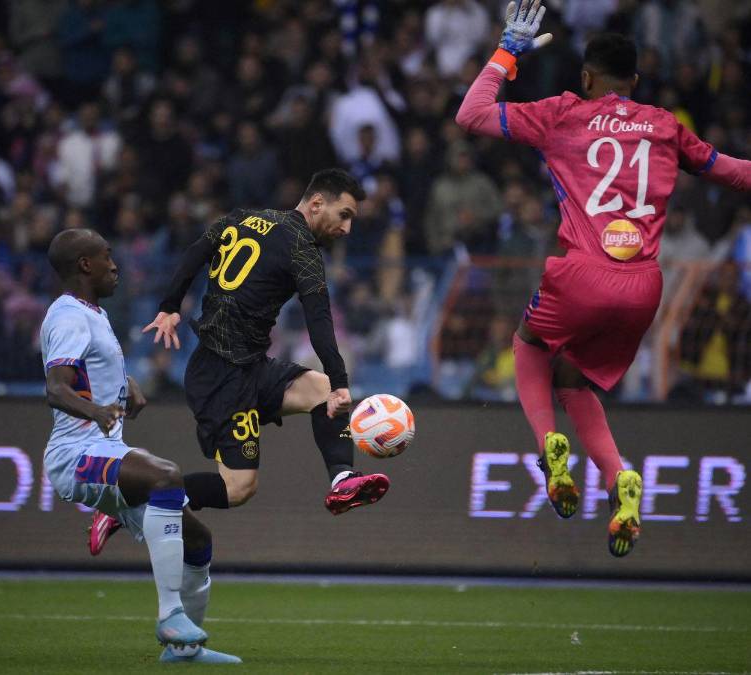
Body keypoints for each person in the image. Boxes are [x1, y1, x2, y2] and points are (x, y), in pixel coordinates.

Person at [455, 1, 751, 557]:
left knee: (529, 345)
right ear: (635, 81)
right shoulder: (666, 125)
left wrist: (507, 54)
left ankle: (550, 447)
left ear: (586, 78)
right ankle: (620, 479)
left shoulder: (562, 113)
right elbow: (734, 173)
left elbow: (471, 115)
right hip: (644, 287)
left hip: (582, 273)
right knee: (574, 381)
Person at [128, 169, 388, 518]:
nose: (347, 228)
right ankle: (130, 504)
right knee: (239, 487)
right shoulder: (303, 249)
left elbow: (196, 251)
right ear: (316, 204)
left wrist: (170, 305)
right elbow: (319, 319)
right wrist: (343, 381)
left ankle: (342, 479)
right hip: (221, 377)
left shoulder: (243, 217)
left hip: (248, 367)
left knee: (321, 389)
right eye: (344, 215)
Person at [40, 229, 240, 664]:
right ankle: (170, 616)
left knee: (198, 539)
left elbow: (91, 367)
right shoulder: (68, 316)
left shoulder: (92, 314)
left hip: (104, 450)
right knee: (165, 476)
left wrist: (126, 384)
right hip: (75, 455)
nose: (115, 266)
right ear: (85, 265)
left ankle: (184, 651)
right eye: (107, 256)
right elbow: (56, 388)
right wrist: (96, 412)